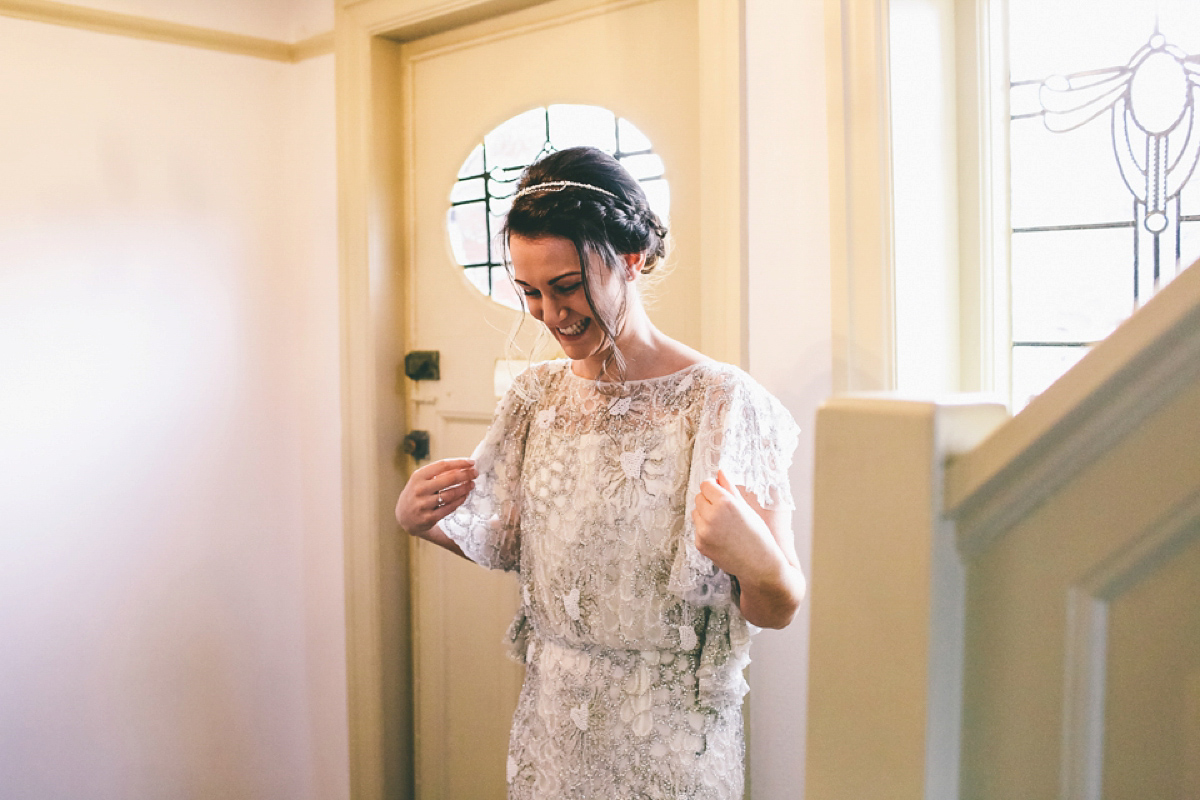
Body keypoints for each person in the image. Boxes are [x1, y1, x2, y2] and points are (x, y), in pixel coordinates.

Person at [395, 146, 805, 800]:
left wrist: (749, 553)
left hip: (670, 738)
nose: (551, 315)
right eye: (530, 292)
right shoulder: (534, 398)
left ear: (631, 261)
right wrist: (426, 524)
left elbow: (779, 602)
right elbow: (515, 545)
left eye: (567, 285)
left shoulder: (722, 403)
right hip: (552, 722)